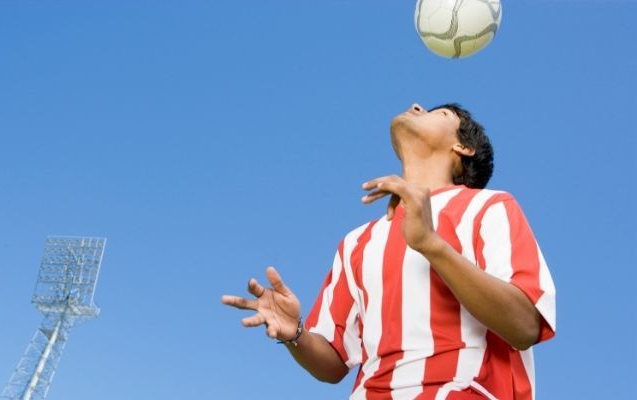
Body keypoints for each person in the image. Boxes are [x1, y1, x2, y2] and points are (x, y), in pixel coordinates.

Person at [222, 103, 556, 400]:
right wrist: (295, 334)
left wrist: (430, 244)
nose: (415, 106)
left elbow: (524, 325)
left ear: (462, 147)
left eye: (437, 113)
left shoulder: (489, 207)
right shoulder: (357, 242)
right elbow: (334, 363)